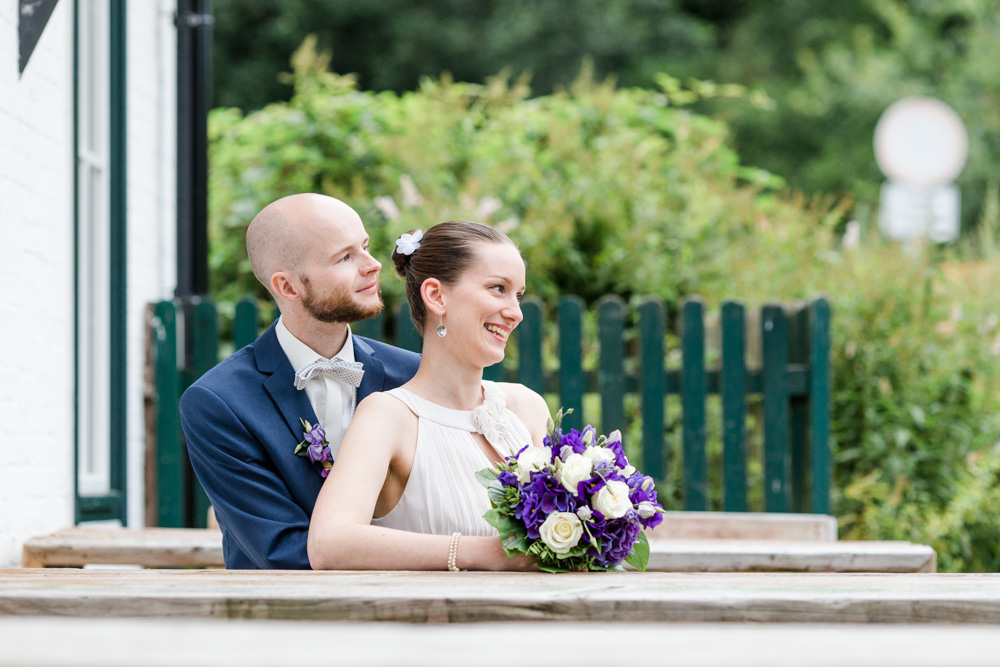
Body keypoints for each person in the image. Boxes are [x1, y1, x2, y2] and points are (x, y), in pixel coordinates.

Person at [179, 194, 421, 569]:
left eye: (366, 247)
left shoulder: (413, 375)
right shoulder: (218, 401)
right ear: (288, 287)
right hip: (287, 619)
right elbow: (282, 550)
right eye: (345, 257)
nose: (373, 266)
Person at [307, 221, 551, 571]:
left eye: (518, 295)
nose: (515, 312)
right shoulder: (387, 416)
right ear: (436, 295)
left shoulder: (526, 407)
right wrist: (485, 554)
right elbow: (329, 544)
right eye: (498, 289)